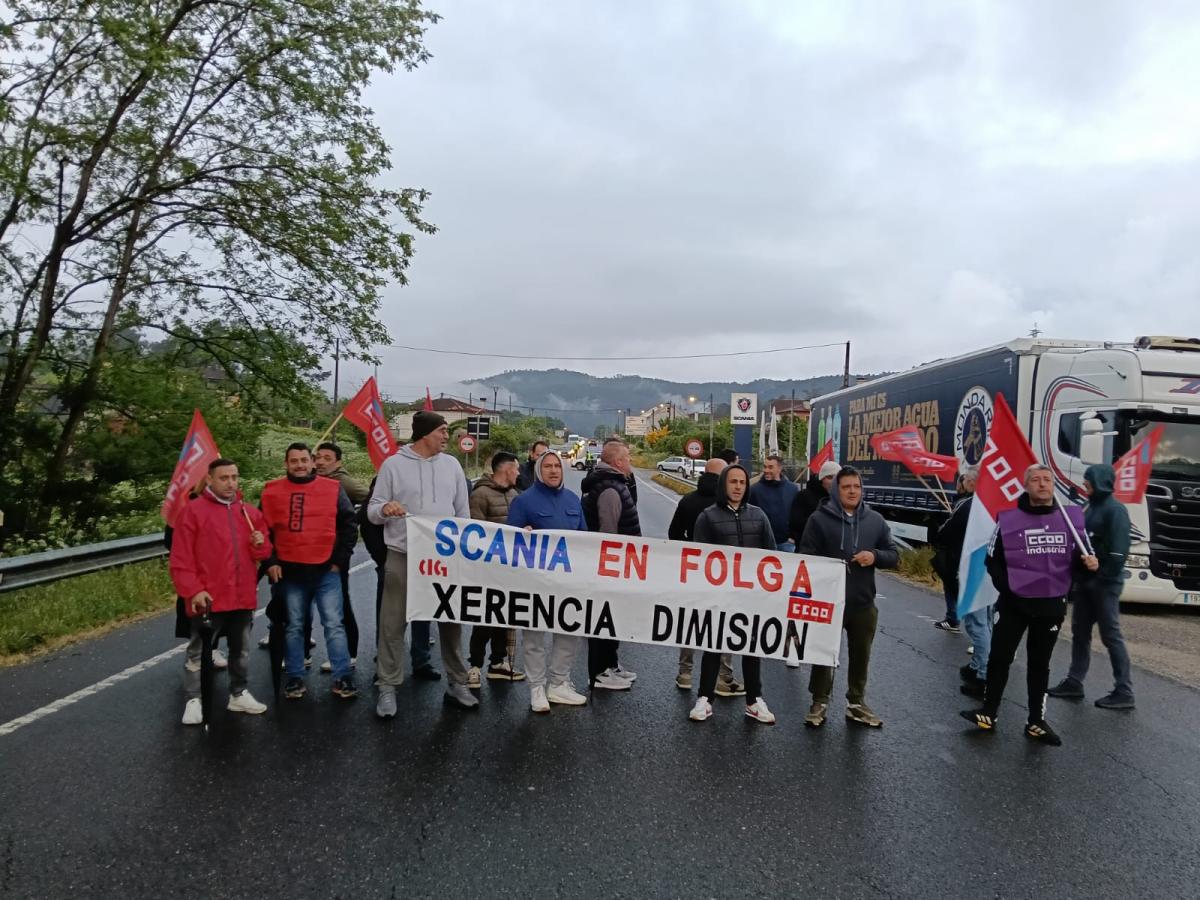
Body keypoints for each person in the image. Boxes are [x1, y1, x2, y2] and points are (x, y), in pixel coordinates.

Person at [960, 464, 1099, 746]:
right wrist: (1009, 589)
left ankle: (1036, 721)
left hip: (1050, 607)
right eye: (1035, 479)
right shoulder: (1009, 520)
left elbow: (1084, 561)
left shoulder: (1070, 522)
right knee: (1000, 658)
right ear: (1026, 485)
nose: (1042, 484)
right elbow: (992, 559)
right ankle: (989, 712)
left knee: (1040, 664)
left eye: (1047, 479)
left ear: (1053, 486)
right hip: (1013, 605)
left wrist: (1091, 566)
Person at [369, 411, 475, 718]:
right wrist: (385, 509)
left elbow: (462, 514)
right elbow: (374, 510)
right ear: (425, 433)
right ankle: (388, 687)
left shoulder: (452, 465)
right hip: (403, 555)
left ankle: (457, 683)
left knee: (451, 622)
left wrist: (464, 551)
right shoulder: (393, 465)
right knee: (392, 623)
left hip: (444, 558)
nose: (446, 436)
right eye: (442, 431)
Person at [170, 458, 273, 724]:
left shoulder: (248, 513)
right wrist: (193, 590)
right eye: (224, 478)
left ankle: (238, 693)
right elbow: (181, 559)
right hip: (208, 596)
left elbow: (262, 552)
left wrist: (260, 545)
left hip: (241, 595)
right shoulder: (193, 512)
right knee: (198, 651)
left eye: (235, 477)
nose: (231, 483)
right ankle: (194, 699)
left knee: (241, 649)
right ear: (210, 480)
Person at [800, 466, 899, 728]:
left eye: (856, 486)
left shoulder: (875, 520)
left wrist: (874, 556)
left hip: (862, 603)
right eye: (846, 487)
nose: (852, 491)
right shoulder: (819, 519)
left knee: (861, 655)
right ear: (836, 490)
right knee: (824, 654)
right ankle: (819, 701)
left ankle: (856, 702)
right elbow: (805, 556)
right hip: (828, 603)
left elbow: (894, 555)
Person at [260, 443, 358, 701]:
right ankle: (294, 677)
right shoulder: (271, 492)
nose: (300, 465)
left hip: (326, 570)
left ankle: (342, 676)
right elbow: (261, 532)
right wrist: (270, 562)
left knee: (334, 625)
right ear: (286, 464)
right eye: (294, 461)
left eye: (304, 460)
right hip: (290, 573)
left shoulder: (333, 489)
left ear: (312, 462)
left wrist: (339, 560)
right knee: (294, 627)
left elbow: (349, 525)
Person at [689, 464, 778, 724]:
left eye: (742, 482)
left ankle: (754, 700)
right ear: (723, 485)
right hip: (718, 595)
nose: (738, 486)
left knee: (751, 646)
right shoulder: (707, 517)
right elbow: (697, 557)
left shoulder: (759, 516)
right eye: (733, 482)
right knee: (714, 645)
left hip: (751, 595)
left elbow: (772, 555)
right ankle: (705, 698)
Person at [507, 449, 589, 712]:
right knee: (534, 636)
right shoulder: (524, 501)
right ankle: (536, 688)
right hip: (535, 581)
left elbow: (585, 538)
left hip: (569, 581)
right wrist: (524, 534)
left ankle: (559, 683)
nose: (554, 471)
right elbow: (510, 540)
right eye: (548, 467)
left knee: (568, 633)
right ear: (539, 471)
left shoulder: (573, 499)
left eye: (558, 466)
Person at [1048, 464, 1135, 709]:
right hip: (1085, 583)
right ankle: (1074, 682)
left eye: (1088, 480)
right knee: (1080, 633)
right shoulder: (1090, 506)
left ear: (1100, 481)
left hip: (1105, 585)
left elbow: (1119, 552)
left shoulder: (1115, 510)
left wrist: (1102, 574)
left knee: (1111, 636)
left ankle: (1124, 691)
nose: (1085, 484)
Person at [667, 457, 743, 696]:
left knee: (691, 622)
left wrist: (689, 554)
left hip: (694, 572)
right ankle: (724, 676)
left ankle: (685, 673)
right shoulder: (729, 506)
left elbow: (674, 533)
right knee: (724, 623)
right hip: (726, 574)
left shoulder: (688, 500)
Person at [580, 439, 640, 691]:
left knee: (614, 618)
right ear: (617, 462)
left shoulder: (613, 484)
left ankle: (611, 664)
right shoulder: (610, 491)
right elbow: (608, 534)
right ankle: (600, 672)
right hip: (610, 568)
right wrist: (613, 570)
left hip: (615, 567)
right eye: (627, 458)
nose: (630, 462)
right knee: (604, 618)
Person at [466, 451, 525, 687]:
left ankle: (498, 662)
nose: (519, 473)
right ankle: (474, 666)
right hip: (488, 569)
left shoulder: (514, 494)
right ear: (506, 469)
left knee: (504, 615)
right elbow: (475, 531)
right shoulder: (480, 494)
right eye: (516, 469)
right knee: (484, 619)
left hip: (509, 569)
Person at [934, 468, 990, 698]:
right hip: (992, 570)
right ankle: (982, 665)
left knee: (977, 624)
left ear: (974, 484)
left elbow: (946, 533)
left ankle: (981, 670)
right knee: (987, 621)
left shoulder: (969, 506)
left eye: (965, 479)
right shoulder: (993, 506)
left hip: (973, 568)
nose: (962, 482)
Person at [314, 441, 365, 671]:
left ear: (338, 462)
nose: (321, 461)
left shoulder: (342, 482)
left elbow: (369, 496)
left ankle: (349, 654)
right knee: (302, 605)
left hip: (334, 555)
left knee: (338, 604)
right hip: (309, 554)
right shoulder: (313, 478)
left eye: (327, 458)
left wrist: (358, 516)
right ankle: (302, 650)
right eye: (318, 457)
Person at [932, 470, 978, 635]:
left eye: (963, 480)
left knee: (953, 584)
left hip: (959, 554)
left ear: (971, 482)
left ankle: (954, 619)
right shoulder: (983, 502)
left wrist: (941, 534)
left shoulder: (967, 503)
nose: (960, 483)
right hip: (972, 555)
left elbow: (949, 529)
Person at [750, 453, 800, 552]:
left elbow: (797, 514)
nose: (766, 470)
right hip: (762, 543)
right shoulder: (754, 490)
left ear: (779, 468)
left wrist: (793, 536)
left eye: (770, 467)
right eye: (765, 467)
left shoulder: (792, 489)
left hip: (787, 543)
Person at [789, 460, 840, 550]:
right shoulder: (803, 496)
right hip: (808, 550)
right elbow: (795, 522)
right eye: (830, 477)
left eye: (837, 478)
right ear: (821, 478)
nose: (833, 481)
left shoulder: (842, 498)